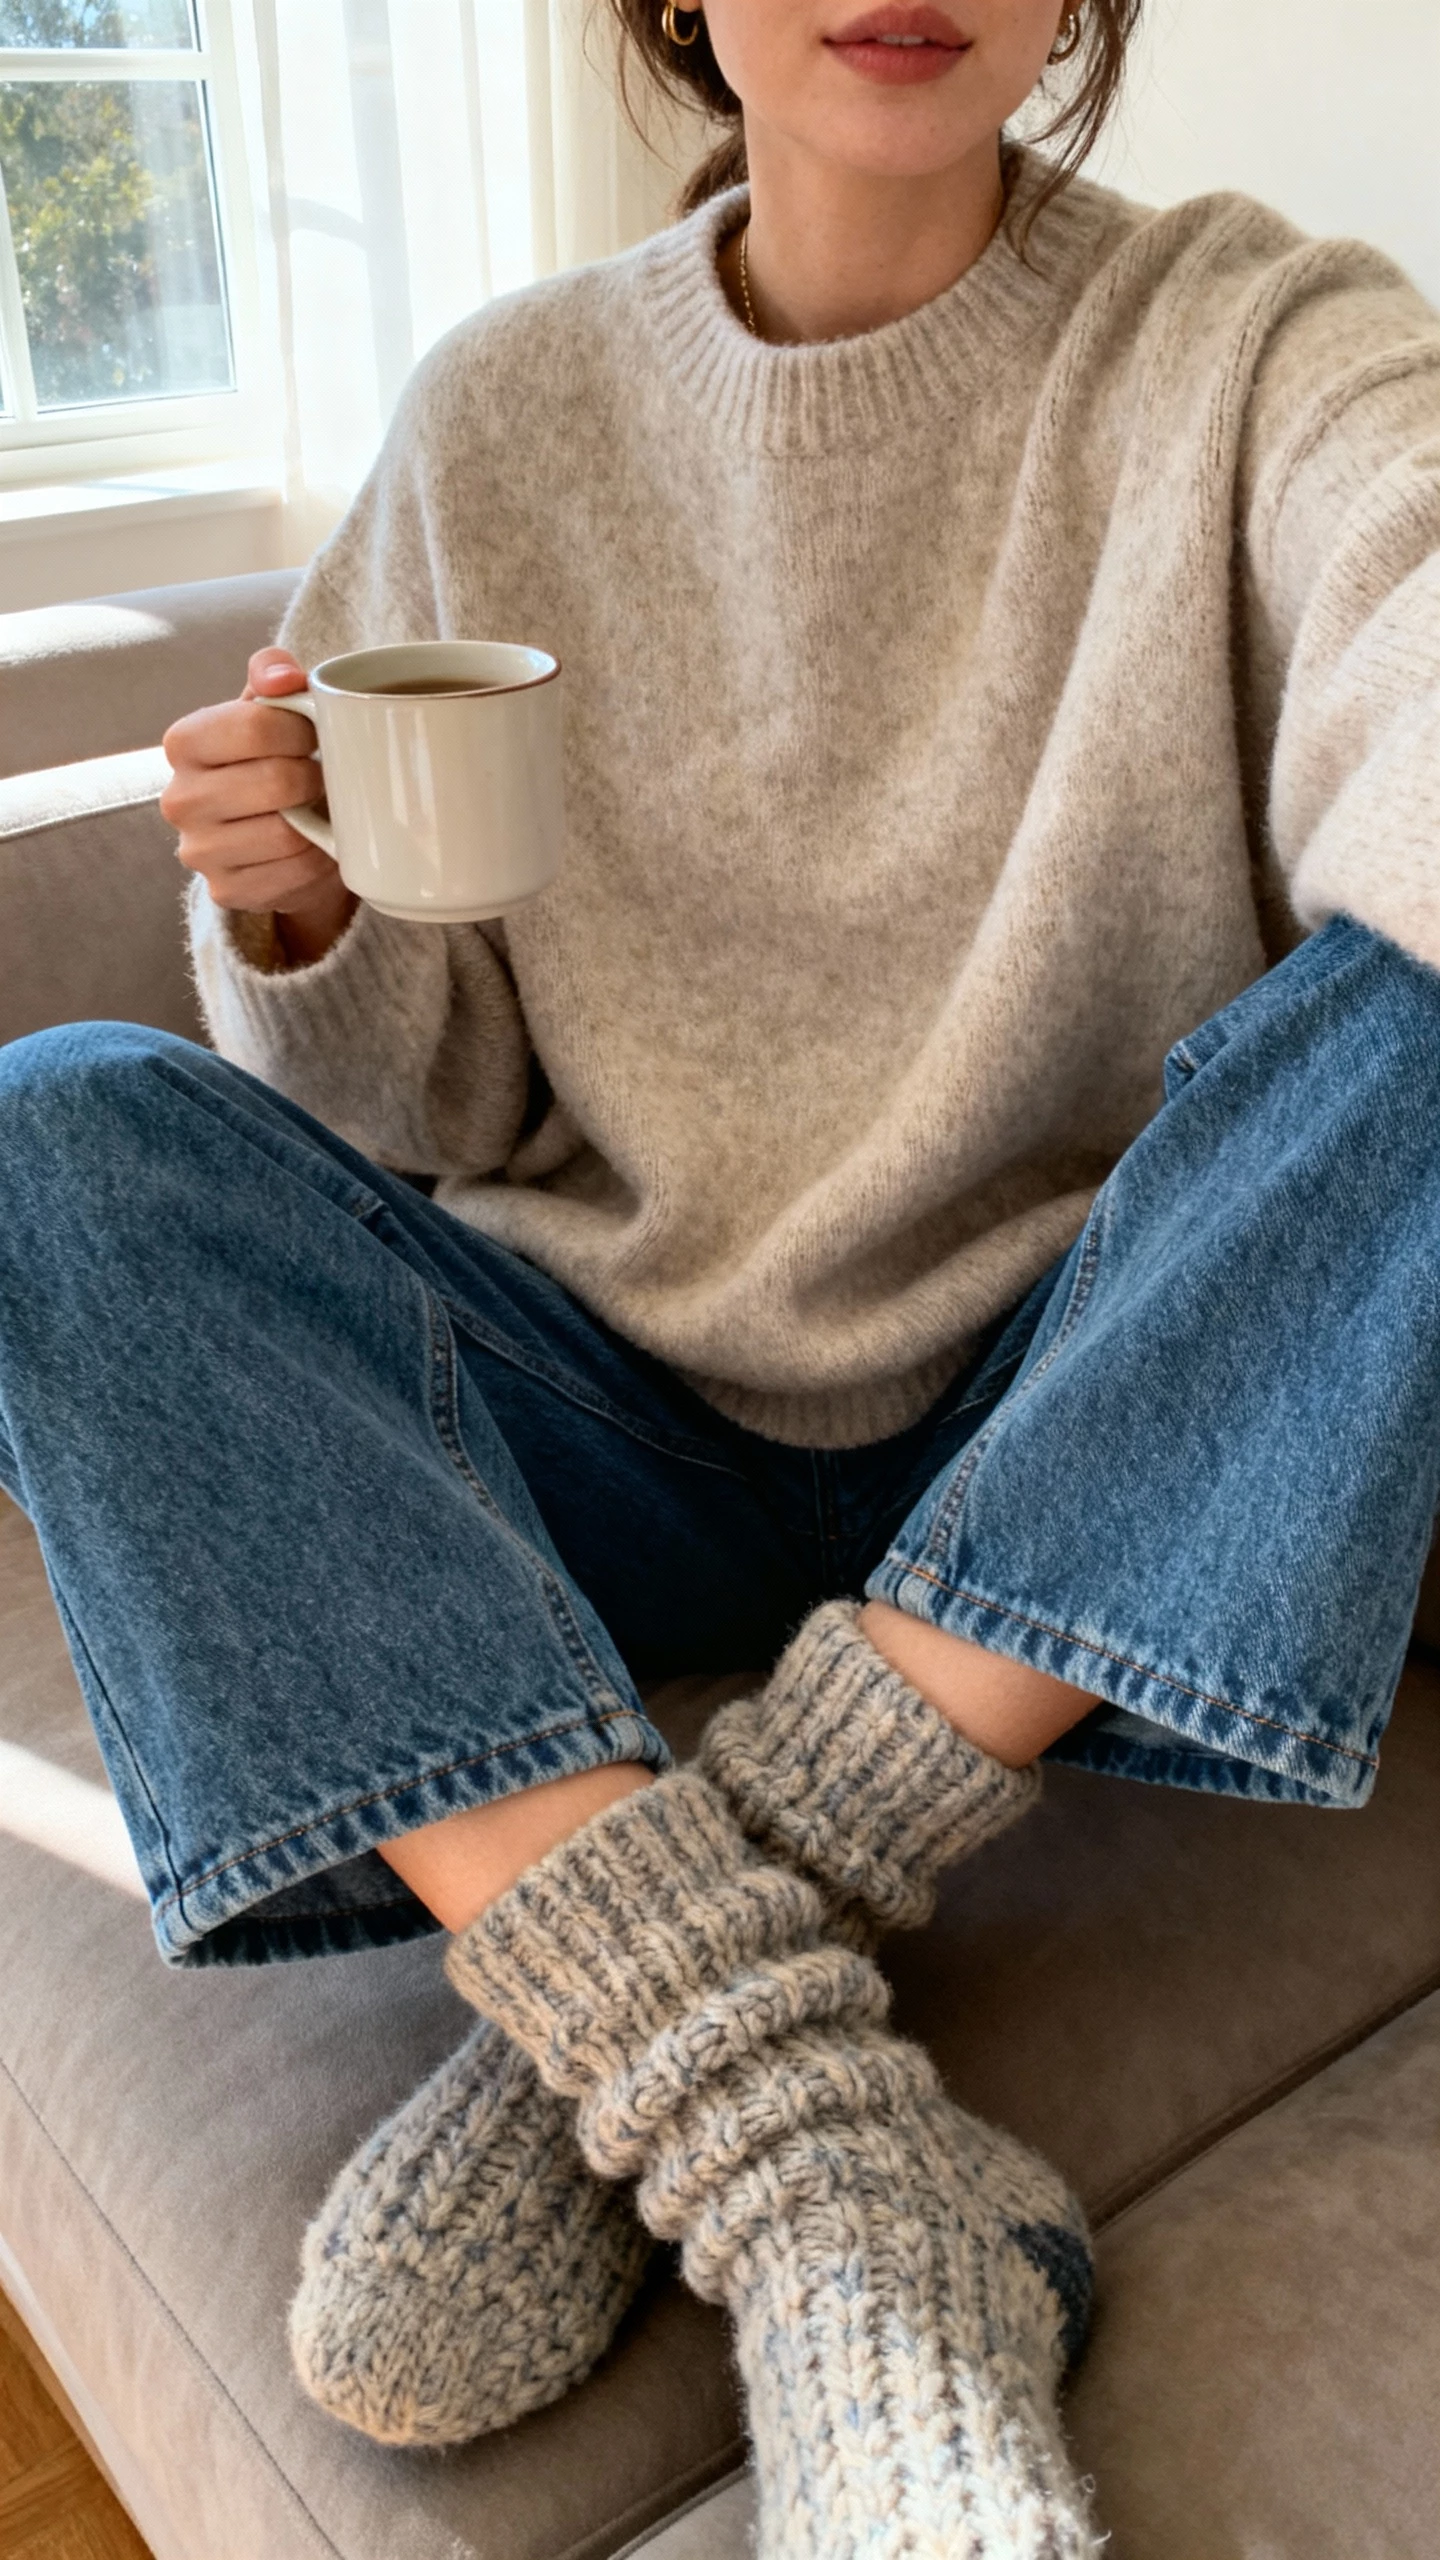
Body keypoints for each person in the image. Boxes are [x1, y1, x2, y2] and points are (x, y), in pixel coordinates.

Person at [4, 0, 1440, 2546]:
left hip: (1072, 1418)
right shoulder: (501, 412)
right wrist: (304, 911)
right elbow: (412, 1126)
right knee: (54, 1135)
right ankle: (824, 2173)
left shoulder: (1268, 339)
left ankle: (731, 1910)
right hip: (610, 1399)